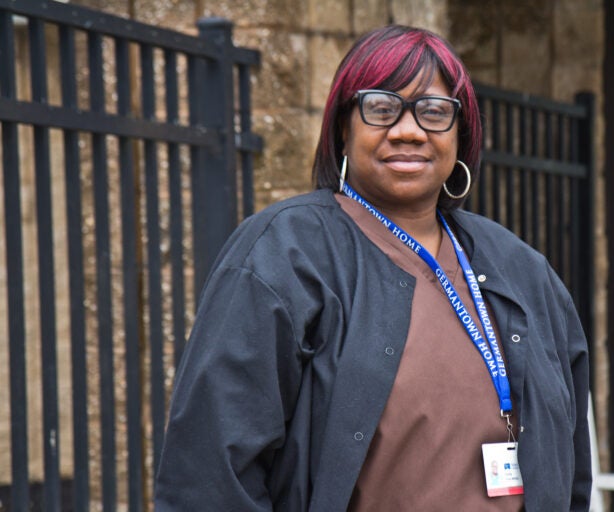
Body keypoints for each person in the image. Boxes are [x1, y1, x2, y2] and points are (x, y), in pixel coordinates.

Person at [154, 24, 591, 511]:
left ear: (460, 132)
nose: (408, 130)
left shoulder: (523, 270)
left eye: (433, 111)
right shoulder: (283, 253)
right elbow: (210, 474)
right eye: (381, 108)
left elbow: (572, 466)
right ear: (343, 127)